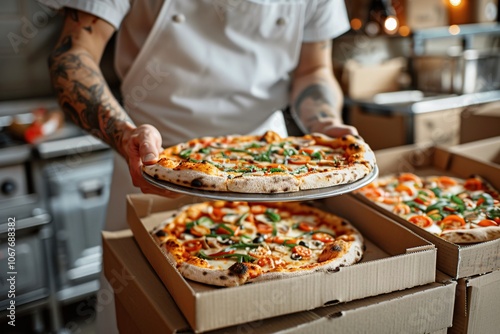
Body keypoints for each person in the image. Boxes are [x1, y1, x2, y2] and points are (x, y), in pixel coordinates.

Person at [41, 0, 357, 332]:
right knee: (143, 312)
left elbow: (313, 69)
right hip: (152, 158)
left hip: (268, 168)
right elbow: (73, 52)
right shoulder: (144, 151)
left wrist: (323, 123)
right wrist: (126, 137)